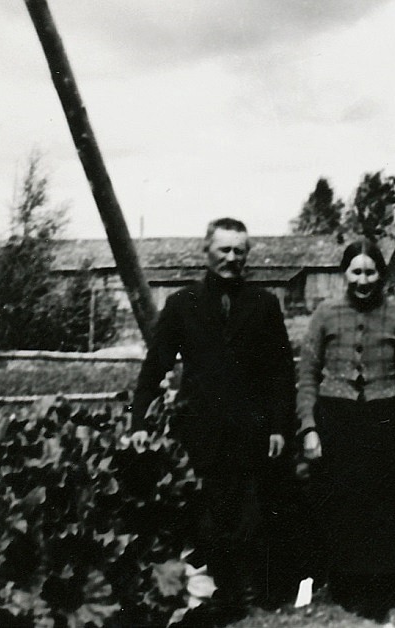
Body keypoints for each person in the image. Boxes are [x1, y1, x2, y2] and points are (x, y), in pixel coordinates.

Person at [132, 217, 302, 623]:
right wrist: (138, 422)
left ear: (247, 256)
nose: (231, 258)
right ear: (205, 251)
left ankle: (244, 591)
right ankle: (214, 594)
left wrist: (279, 425)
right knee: (205, 515)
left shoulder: (264, 304)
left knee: (249, 514)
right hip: (200, 431)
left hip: (251, 430)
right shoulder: (182, 304)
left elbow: (281, 372)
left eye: (238, 251)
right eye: (223, 249)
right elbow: (153, 368)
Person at [297, 239, 395, 623]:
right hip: (337, 419)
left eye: (370, 272)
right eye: (356, 272)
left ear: (381, 275)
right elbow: (307, 376)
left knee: (390, 507)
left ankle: (391, 590)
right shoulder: (325, 314)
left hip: (384, 419)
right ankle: (353, 590)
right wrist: (309, 428)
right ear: (345, 273)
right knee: (348, 507)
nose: (363, 280)